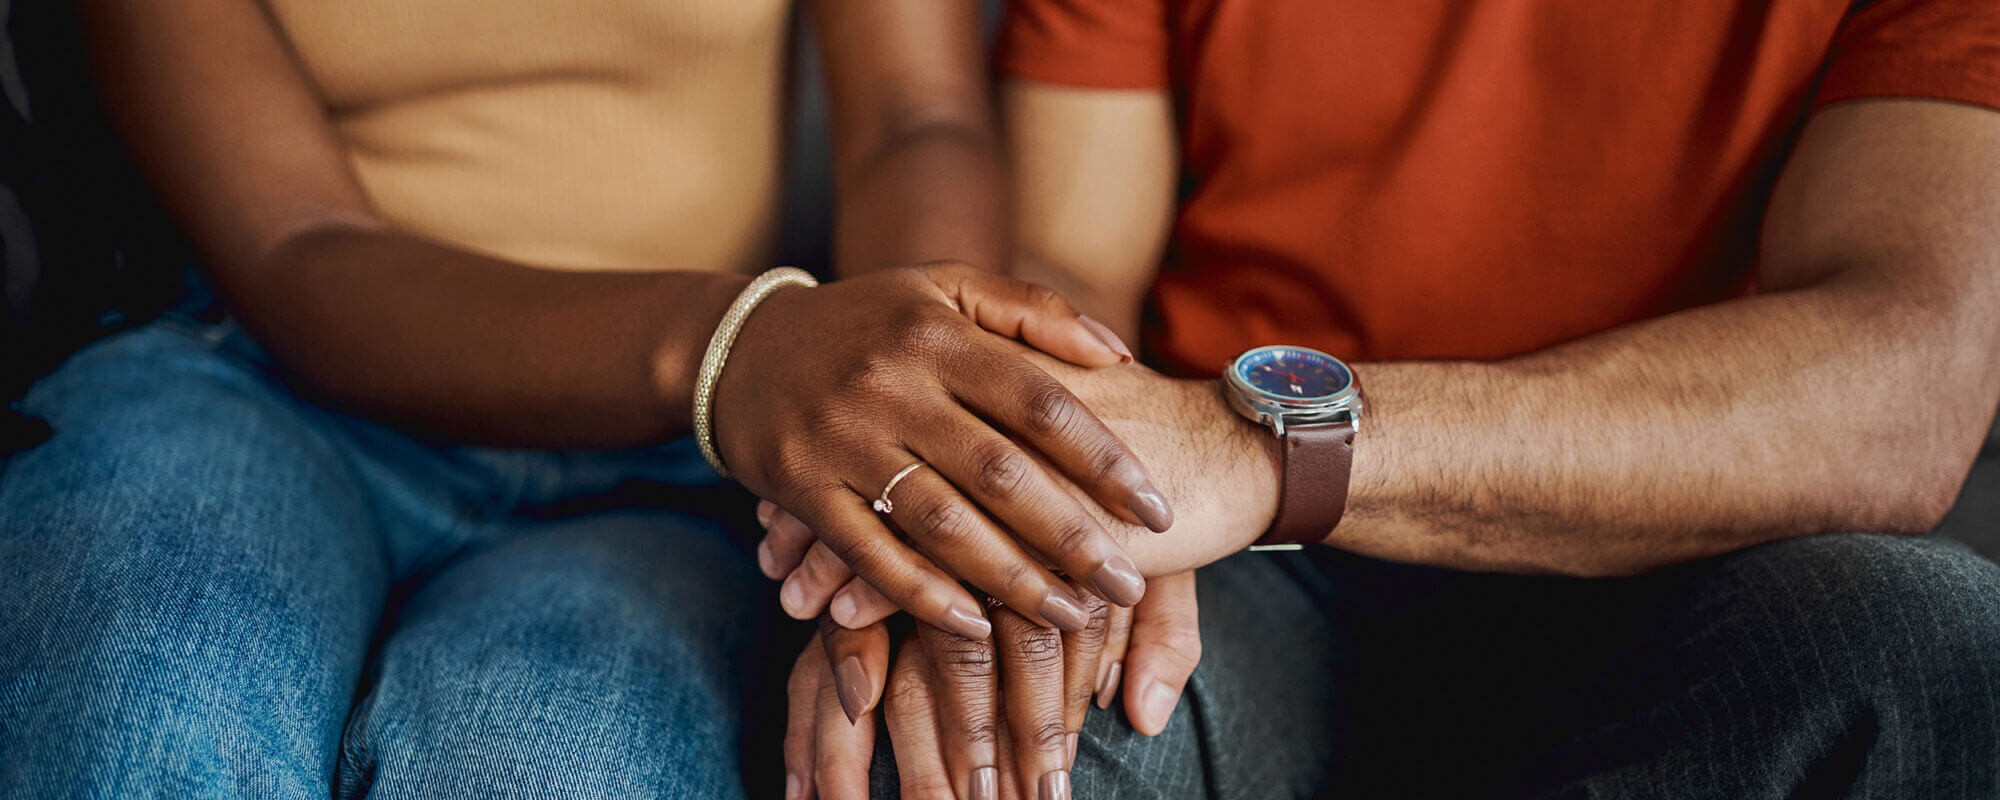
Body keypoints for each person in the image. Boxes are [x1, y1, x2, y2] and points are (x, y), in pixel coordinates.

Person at [765, 0, 2000, 797]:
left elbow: (1905, 375)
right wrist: (1035, 488)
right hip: (1232, 573)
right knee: (958, 735)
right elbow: (1072, 265)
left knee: (1927, 648)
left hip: (1695, 558)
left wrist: (1249, 455)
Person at [0, 0, 1178, 796]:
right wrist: (736, 342)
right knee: (142, 694)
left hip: (686, 455)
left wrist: (908, 434)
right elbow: (294, 246)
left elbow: (913, 120)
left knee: (547, 758)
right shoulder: (734, 348)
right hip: (257, 384)